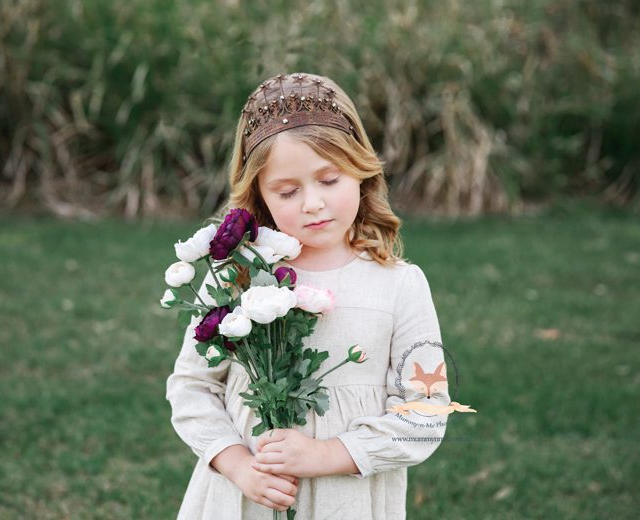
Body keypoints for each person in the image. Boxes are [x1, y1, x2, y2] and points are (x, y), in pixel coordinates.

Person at [165, 72, 450, 519]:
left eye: (329, 180)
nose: (312, 203)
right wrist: (238, 465)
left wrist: (325, 455)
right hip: (248, 497)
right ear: (259, 193)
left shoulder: (399, 285)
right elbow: (192, 387)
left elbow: (425, 413)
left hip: (348, 500)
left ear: (360, 171)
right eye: (288, 191)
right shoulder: (238, 274)